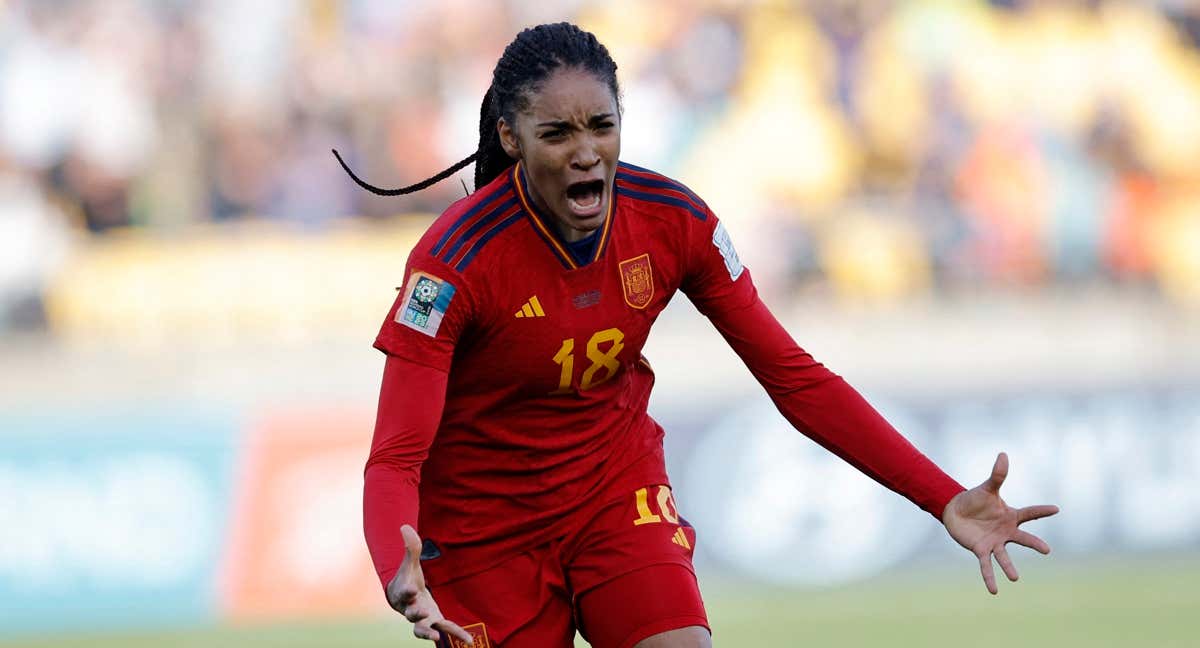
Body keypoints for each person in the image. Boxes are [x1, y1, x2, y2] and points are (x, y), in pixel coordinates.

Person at [341, 22, 1059, 648]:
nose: (586, 152)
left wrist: (942, 497)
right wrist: (393, 563)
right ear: (511, 138)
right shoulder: (453, 262)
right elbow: (397, 454)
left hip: (609, 493)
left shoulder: (675, 222)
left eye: (601, 125)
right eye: (557, 134)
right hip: (480, 533)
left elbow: (795, 377)